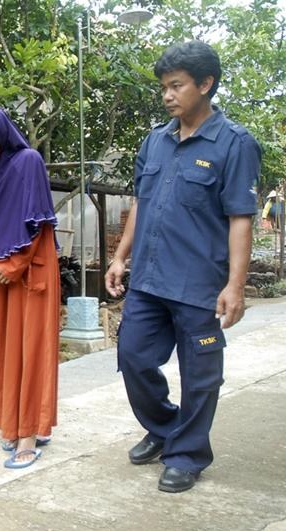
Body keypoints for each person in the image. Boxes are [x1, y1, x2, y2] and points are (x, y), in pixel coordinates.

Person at [104, 42, 261, 493]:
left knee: (201, 376)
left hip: (198, 284)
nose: (168, 95)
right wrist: (120, 256)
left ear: (205, 84)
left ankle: (188, 454)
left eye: (177, 86)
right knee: (132, 357)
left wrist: (236, 285)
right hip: (150, 279)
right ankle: (165, 428)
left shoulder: (234, 144)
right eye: (164, 88)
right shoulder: (155, 140)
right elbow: (141, 202)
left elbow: (240, 219)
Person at [0, 105, 60, 469]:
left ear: (1, 135)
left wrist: (12, 265)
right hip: (2, 272)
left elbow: (37, 225)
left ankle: (29, 435)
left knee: (32, 350)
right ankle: (15, 424)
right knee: (7, 349)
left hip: (31, 269)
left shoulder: (28, 161)